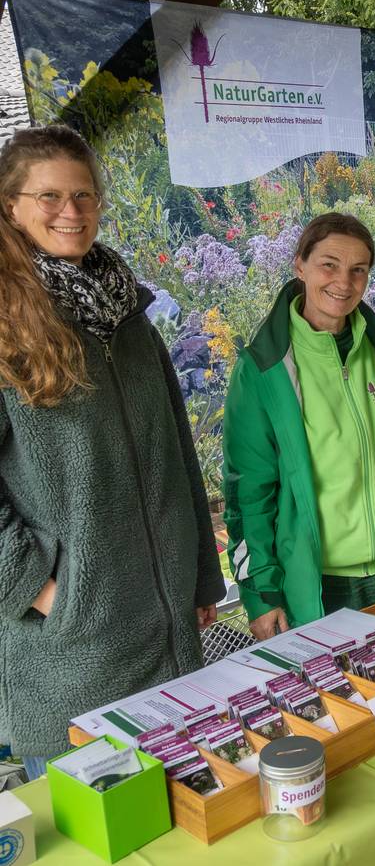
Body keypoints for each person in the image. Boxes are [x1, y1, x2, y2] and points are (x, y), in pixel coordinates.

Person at [0, 125, 224, 778]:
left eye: (84, 195)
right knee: (100, 826)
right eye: (49, 196)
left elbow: (177, 452)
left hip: (167, 631)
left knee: (185, 812)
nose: (70, 211)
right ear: (10, 205)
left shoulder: (126, 313)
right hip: (75, 654)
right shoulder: (6, 323)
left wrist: (199, 574)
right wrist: (40, 588)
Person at [222, 212, 375, 639]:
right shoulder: (263, 370)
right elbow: (248, 496)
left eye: (358, 270)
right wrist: (261, 594)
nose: (343, 283)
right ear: (300, 265)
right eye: (328, 265)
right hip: (323, 590)